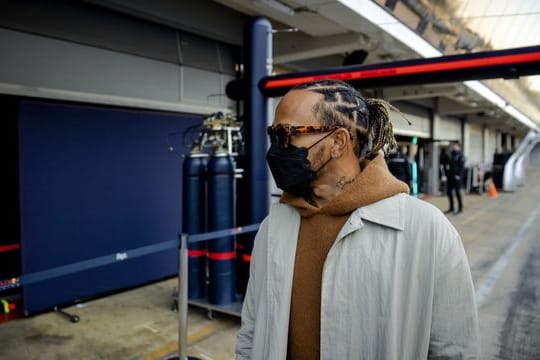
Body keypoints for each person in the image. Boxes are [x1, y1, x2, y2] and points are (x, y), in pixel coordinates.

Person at [236, 79, 479, 359]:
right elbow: (252, 331)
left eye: (288, 134)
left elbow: (455, 350)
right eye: (274, 135)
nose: (277, 148)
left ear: (338, 141)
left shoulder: (426, 229)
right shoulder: (274, 225)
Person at [446, 142, 465, 214]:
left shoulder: (461, 156)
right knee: (449, 192)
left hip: (457, 178)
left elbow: (462, 168)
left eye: (456, 146)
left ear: (459, 147)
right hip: (450, 177)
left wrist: (459, 176)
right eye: (454, 146)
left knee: (457, 193)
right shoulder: (451, 154)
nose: (454, 147)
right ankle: (451, 208)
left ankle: (460, 208)